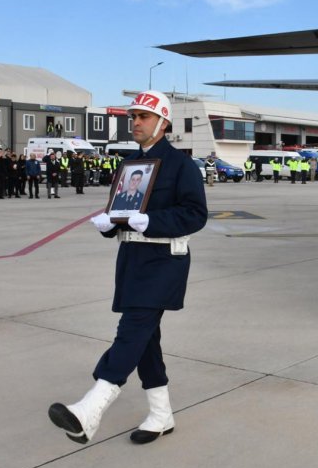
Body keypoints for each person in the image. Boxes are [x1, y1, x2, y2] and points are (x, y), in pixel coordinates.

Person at [48, 90, 207, 446]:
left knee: (132, 330)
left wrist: (150, 220)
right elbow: (124, 213)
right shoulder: (130, 164)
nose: (135, 123)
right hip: (132, 261)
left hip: (164, 261)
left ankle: (91, 408)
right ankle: (161, 414)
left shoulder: (182, 165)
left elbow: (196, 214)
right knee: (146, 340)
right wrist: (111, 225)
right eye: (132, 117)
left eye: (143, 117)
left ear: (163, 123)